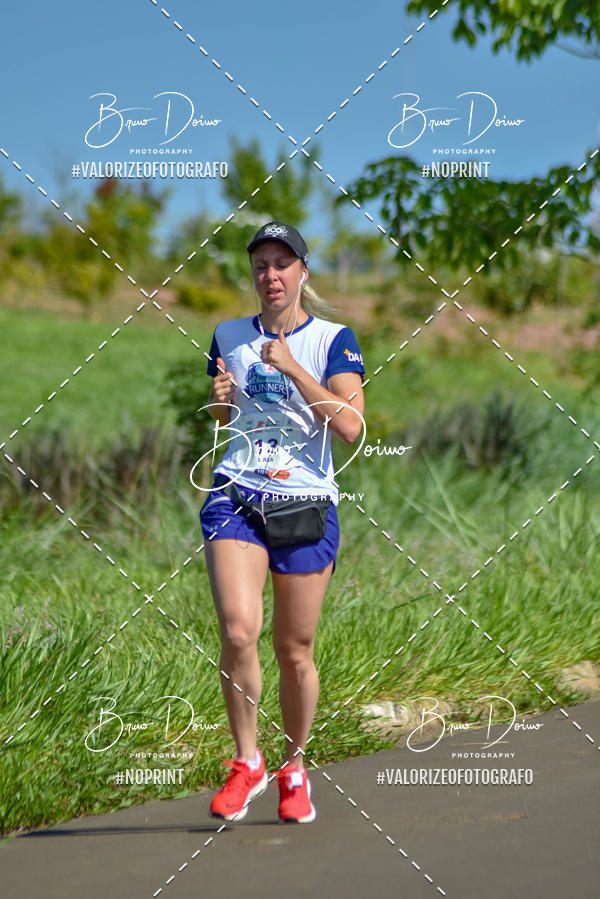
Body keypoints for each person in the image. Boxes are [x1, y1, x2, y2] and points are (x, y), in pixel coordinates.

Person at [199, 221, 365, 823]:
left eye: (282, 263)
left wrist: (294, 367)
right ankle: (248, 763)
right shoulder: (227, 334)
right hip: (238, 491)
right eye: (261, 265)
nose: (271, 275)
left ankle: (295, 767)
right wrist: (220, 398)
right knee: (239, 630)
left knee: (294, 649)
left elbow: (349, 427)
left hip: (304, 503)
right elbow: (223, 419)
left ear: (302, 273)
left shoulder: (333, 340)